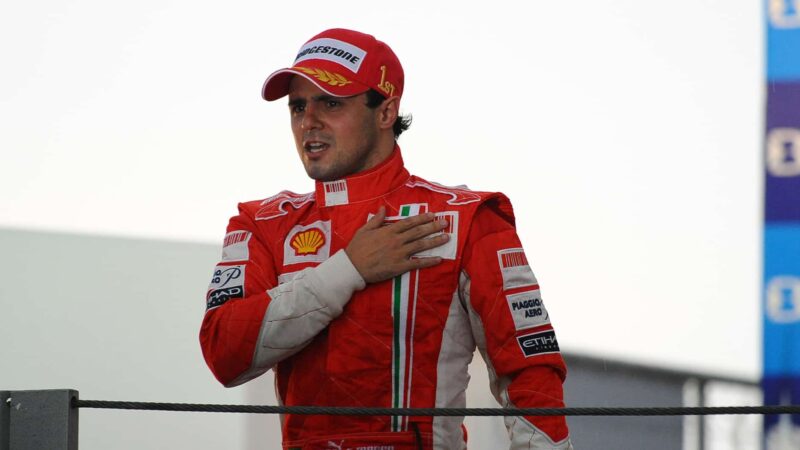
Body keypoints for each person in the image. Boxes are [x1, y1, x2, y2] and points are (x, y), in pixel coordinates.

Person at [200, 28, 573, 450]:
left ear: (385, 111)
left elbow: (530, 371)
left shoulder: (469, 219)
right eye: (298, 106)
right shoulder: (261, 223)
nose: (309, 121)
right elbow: (223, 355)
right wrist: (349, 269)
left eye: (331, 102)